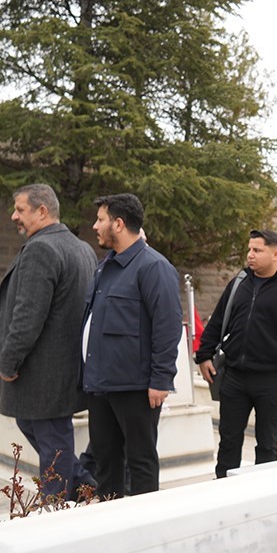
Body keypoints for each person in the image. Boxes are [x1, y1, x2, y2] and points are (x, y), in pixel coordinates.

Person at [0, 184, 98, 501]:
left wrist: (8, 361)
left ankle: (56, 513)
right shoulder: (82, 248)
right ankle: (86, 485)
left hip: (43, 374)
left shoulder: (41, 249)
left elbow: (28, 315)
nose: (14, 216)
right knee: (34, 425)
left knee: (53, 448)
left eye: (20, 209)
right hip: (65, 372)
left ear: (42, 211)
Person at [82, 193, 182, 498]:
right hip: (101, 384)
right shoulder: (106, 267)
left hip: (136, 387)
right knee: (106, 461)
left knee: (140, 462)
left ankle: (144, 527)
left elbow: (167, 326)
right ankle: (111, 524)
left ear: (119, 223)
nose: (95, 226)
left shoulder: (153, 267)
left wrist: (161, 379)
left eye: (101, 219)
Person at [195, 230, 277, 478]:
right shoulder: (239, 283)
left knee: (267, 445)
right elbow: (218, 321)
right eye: (249, 249)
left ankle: (263, 496)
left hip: (271, 380)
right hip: (234, 377)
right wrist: (204, 354)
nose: (250, 255)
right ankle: (223, 495)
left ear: (275, 254)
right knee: (228, 443)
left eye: (257, 250)